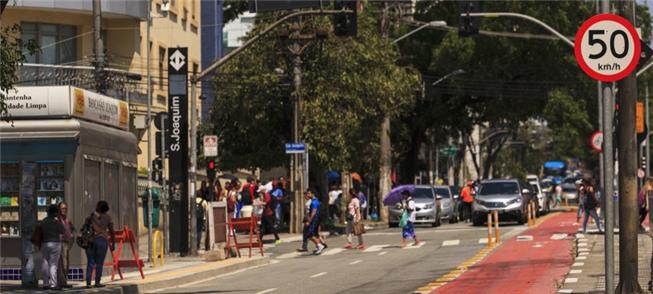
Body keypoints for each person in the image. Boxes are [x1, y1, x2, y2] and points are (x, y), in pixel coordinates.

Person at [84, 201, 115, 288]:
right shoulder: (108, 218)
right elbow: (112, 232)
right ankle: (97, 282)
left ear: (98, 207)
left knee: (90, 262)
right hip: (102, 240)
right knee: (99, 263)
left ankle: (88, 283)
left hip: (90, 241)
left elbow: (85, 225)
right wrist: (113, 243)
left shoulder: (91, 217)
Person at [40, 204, 65, 290]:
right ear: (55, 213)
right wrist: (60, 219)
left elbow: (40, 231)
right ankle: (54, 284)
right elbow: (63, 230)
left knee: (45, 263)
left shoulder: (43, 221)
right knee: (53, 264)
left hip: (45, 243)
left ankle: (45, 284)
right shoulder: (56, 222)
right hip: (55, 243)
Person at [56, 202, 75, 289]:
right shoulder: (57, 219)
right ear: (59, 209)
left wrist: (72, 234)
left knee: (66, 263)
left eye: (65, 208)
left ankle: (63, 281)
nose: (64, 210)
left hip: (66, 242)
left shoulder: (67, 219)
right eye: (63, 208)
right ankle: (62, 282)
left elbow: (72, 229)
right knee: (62, 263)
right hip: (59, 242)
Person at [304, 189, 327, 255]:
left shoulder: (314, 202)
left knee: (310, 234)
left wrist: (309, 220)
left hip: (314, 220)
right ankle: (318, 246)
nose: (308, 195)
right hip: (316, 220)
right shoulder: (315, 201)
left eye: (309, 193)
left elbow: (313, 212)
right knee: (314, 234)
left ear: (313, 194)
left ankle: (320, 245)